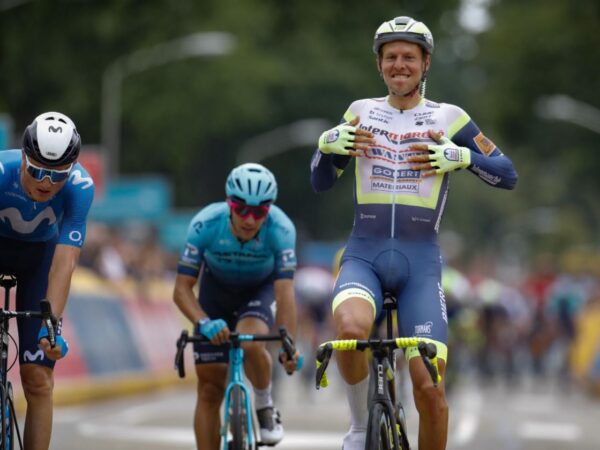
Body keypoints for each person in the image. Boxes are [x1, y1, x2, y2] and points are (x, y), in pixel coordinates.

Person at [310, 16, 518, 450]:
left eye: (409, 57)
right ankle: (359, 428)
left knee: (430, 390)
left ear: (426, 64)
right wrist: (324, 150)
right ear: (379, 64)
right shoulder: (360, 111)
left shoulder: (450, 117)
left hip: (420, 265)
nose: (399, 65)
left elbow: (507, 173)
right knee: (349, 330)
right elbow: (321, 182)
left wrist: (462, 157)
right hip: (364, 256)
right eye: (391, 57)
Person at [173, 162, 301, 450]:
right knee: (209, 389)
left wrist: (288, 344)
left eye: (259, 211)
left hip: (258, 290)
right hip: (215, 293)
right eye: (241, 209)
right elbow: (181, 290)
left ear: (269, 209)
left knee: (251, 342)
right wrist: (204, 322)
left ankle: (264, 405)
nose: (250, 219)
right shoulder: (205, 223)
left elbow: (285, 293)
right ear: (228, 203)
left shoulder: (281, 229)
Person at [0, 111, 94, 450]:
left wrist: (50, 326)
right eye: (38, 171)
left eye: (57, 176)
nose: (46, 183)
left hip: (40, 260)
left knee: (39, 379)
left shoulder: (81, 188)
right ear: (24, 157)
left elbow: (64, 262)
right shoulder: (2, 171)